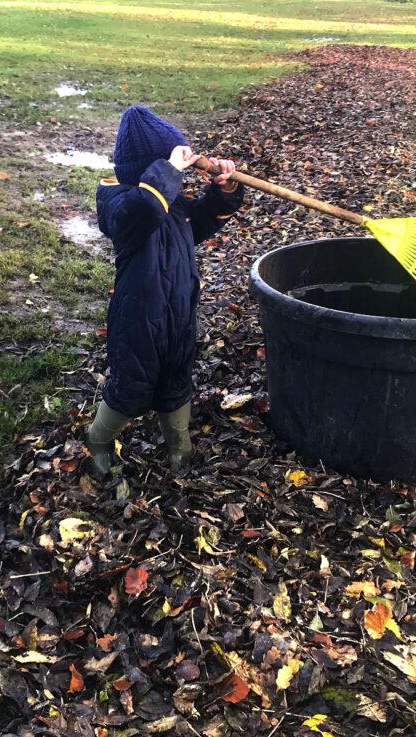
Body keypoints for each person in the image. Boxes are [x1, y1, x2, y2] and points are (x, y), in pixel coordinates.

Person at [85, 105, 244, 477]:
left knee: (176, 378)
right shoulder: (118, 202)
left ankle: (179, 446)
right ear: (151, 169)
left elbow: (200, 222)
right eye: (175, 169)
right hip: (138, 314)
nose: (183, 176)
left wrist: (224, 191)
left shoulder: (171, 204)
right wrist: (168, 171)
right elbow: (142, 210)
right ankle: (98, 437)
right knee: (133, 383)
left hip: (179, 309)